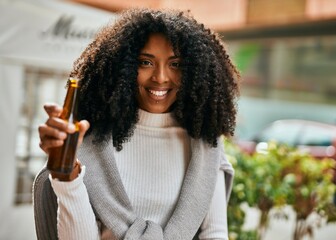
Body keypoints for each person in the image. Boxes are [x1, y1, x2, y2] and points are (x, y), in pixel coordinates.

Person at [33, 8, 240, 240]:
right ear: (124, 66)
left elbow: (214, 234)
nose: (160, 77)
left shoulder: (205, 146)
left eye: (175, 64)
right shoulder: (91, 140)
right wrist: (67, 177)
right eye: (145, 62)